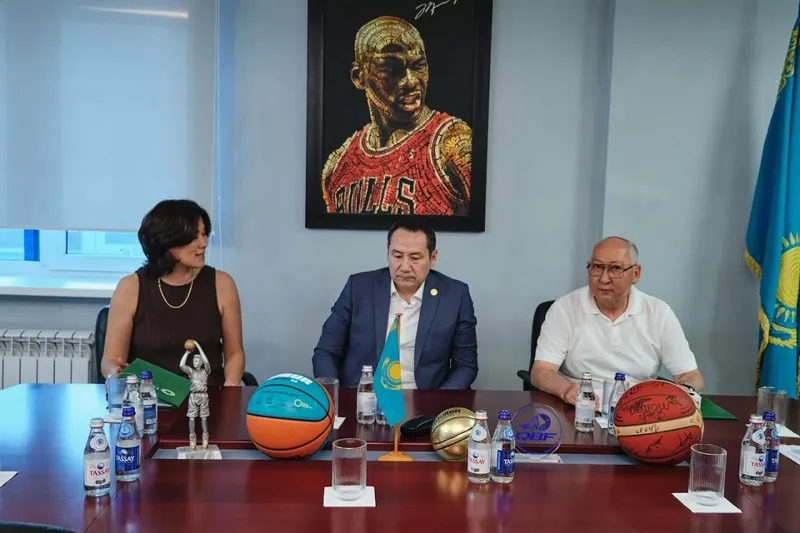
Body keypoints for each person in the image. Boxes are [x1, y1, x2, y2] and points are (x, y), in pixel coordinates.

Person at [321, 16, 472, 216]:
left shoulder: (452, 142)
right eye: (392, 70)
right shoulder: (338, 166)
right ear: (359, 76)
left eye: (418, 66)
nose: (411, 81)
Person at [531, 237, 705, 405]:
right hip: (579, 406)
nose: (604, 279)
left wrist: (684, 389)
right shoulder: (564, 308)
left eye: (615, 268)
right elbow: (541, 371)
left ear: (636, 273)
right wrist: (566, 390)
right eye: (597, 267)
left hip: (639, 408)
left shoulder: (659, 313)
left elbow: (691, 375)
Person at [312, 217, 478, 389]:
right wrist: (333, 396)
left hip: (424, 398)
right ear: (388, 253)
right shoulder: (359, 288)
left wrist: (437, 401)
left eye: (415, 258)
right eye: (397, 256)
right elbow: (325, 352)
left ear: (433, 257)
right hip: (363, 397)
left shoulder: (455, 296)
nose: (404, 267)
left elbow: (465, 365)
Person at [100, 199, 245, 387]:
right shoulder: (130, 287)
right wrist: (114, 372)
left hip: (207, 395)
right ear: (166, 241)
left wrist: (231, 386)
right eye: (193, 237)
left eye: (204, 234)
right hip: (150, 396)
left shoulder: (222, 284)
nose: (203, 243)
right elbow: (111, 360)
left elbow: (234, 354)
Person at [180, 340, 211, 449]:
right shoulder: (191, 372)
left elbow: (206, 361)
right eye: (193, 360)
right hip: (193, 396)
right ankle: (192, 437)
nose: (195, 362)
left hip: (203, 396)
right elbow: (181, 365)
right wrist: (187, 353)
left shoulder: (205, 371)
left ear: (201, 362)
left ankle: (205, 437)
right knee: (191, 418)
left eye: (197, 360)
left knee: (204, 418)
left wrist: (198, 346)